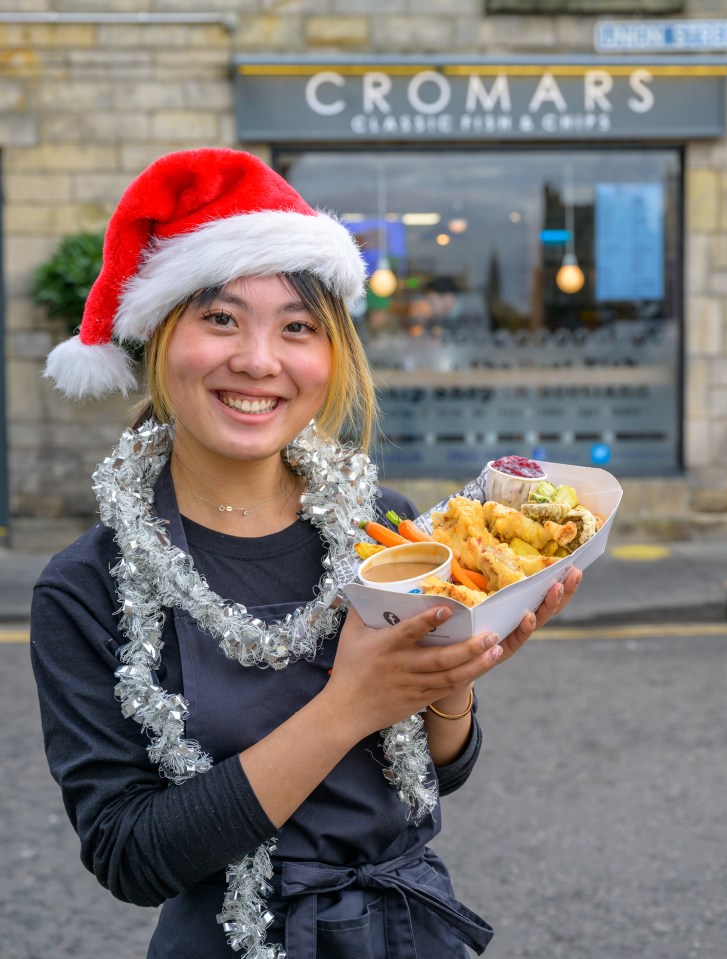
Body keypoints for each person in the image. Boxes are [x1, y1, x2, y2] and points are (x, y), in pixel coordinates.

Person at [31, 148, 581, 959]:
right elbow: (131, 854)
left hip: (408, 935)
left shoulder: (385, 528)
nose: (259, 360)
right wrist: (348, 703)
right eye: (220, 318)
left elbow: (434, 775)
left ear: (332, 359)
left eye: (297, 327)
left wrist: (450, 682)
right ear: (156, 338)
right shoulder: (85, 586)